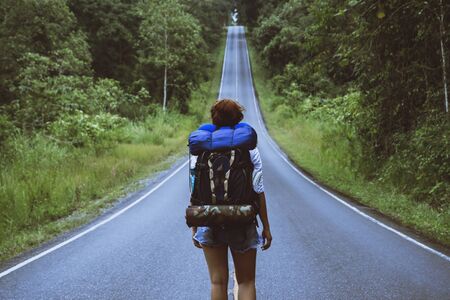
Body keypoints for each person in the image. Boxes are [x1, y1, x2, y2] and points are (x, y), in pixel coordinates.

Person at [190, 99, 272, 300]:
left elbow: (194, 188)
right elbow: (258, 189)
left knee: (217, 281)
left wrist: (195, 225)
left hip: (210, 219)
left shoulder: (200, 149)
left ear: (214, 119)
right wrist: (266, 227)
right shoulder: (249, 148)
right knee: (246, 281)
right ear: (239, 119)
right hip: (242, 219)